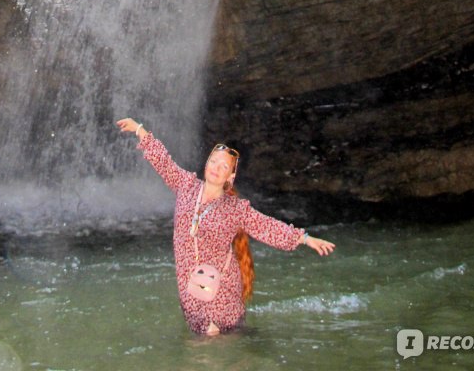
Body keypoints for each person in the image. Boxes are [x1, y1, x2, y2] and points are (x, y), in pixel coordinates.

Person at [116, 117, 335, 336]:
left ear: (230, 177)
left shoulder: (235, 208)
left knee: (224, 338)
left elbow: (266, 226)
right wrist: (139, 130)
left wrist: (305, 238)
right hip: (191, 287)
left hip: (223, 286)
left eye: (223, 167)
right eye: (213, 161)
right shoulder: (186, 186)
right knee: (207, 338)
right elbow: (163, 162)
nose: (216, 168)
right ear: (206, 163)